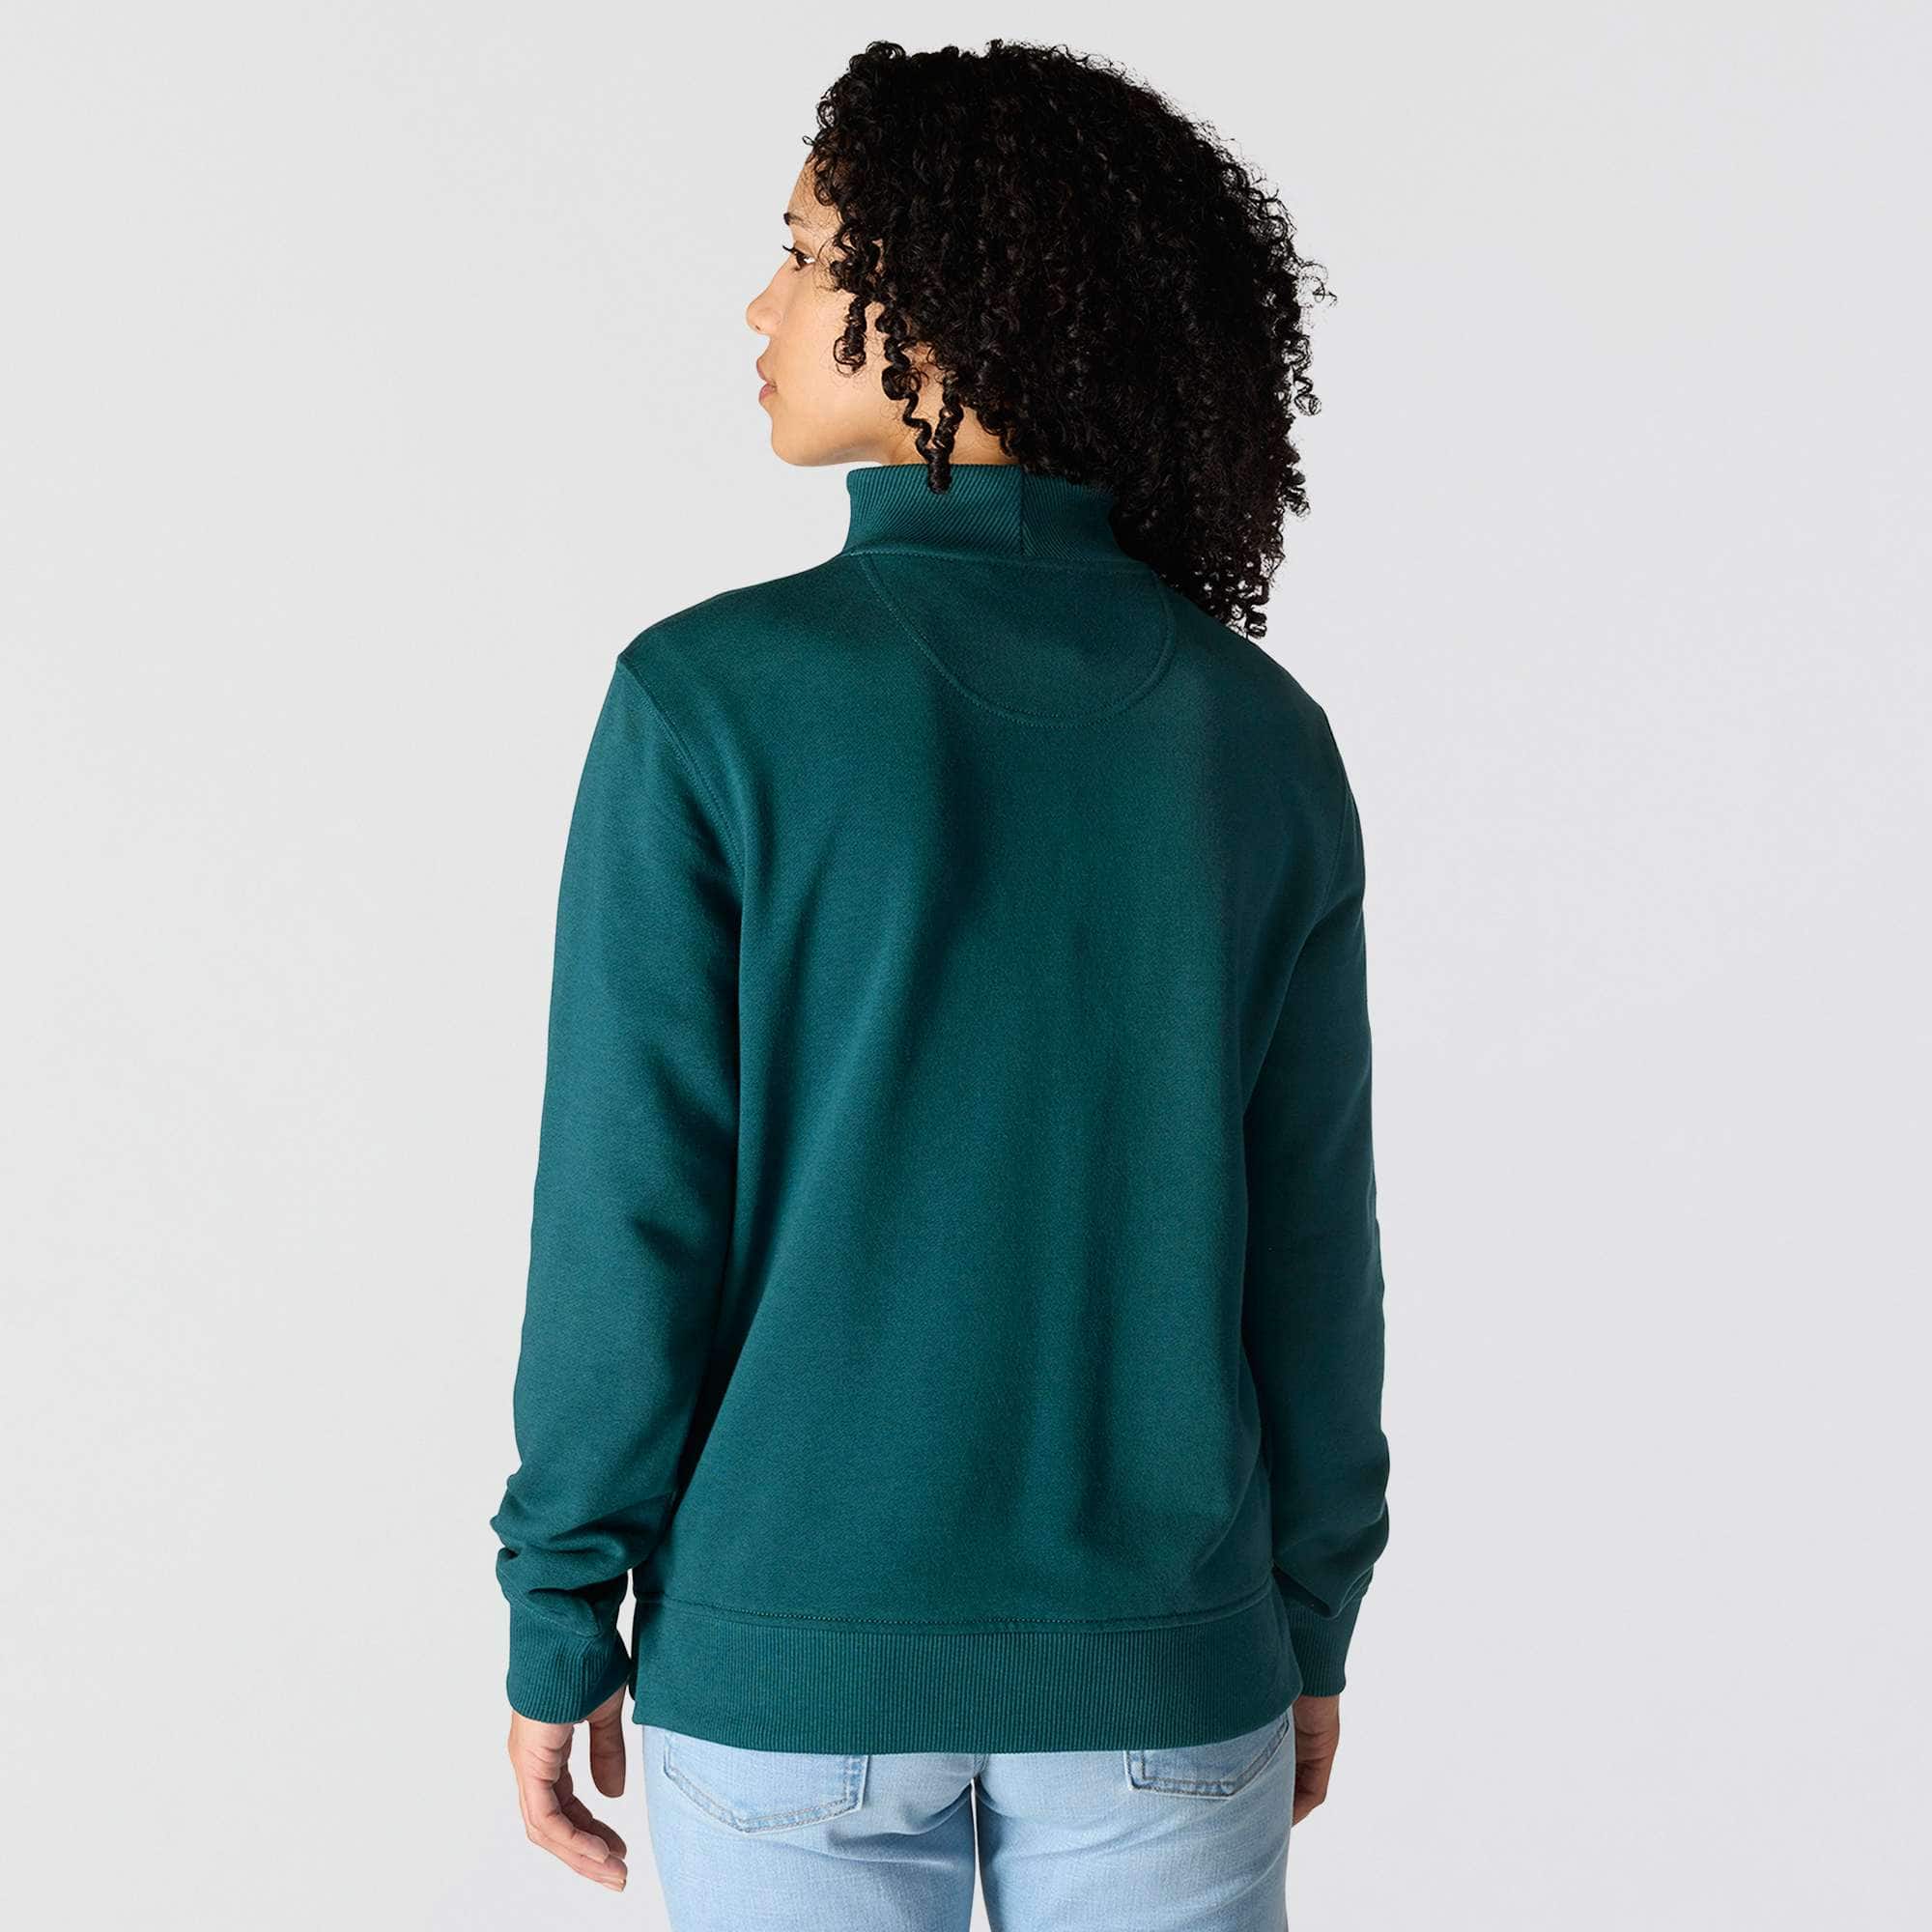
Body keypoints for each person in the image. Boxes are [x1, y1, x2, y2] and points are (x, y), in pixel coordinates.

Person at [490, 37, 1390, 1930]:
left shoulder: (708, 702)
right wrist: (1307, 1616)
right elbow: (1314, 1246)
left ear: (961, 299)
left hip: (785, 1665)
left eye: (807, 253)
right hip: (1164, 1672)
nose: (763, 304)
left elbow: (628, 1212)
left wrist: (561, 1607)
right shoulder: (1255, 733)